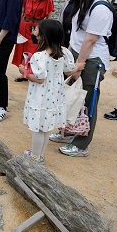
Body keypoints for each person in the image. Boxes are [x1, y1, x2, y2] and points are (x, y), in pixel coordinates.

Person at [54, 0, 113, 157]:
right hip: (79, 56)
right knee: (72, 97)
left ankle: (81, 144)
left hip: (92, 61)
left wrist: (78, 66)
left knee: (87, 101)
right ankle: (69, 130)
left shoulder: (100, 8)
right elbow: (78, 36)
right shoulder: (84, 3)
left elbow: (90, 39)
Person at [19, 20, 75, 163]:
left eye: (37, 30)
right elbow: (69, 70)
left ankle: (35, 156)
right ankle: (40, 154)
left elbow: (39, 79)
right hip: (55, 95)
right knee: (46, 126)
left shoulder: (40, 56)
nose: (34, 32)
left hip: (41, 95)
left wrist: (23, 71)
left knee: (37, 127)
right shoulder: (64, 52)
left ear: (44, 35)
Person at [11, 0, 54, 81]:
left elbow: (48, 17)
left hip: (36, 27)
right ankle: (24, 73)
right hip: (24, 24)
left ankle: (33, 72)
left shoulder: (48, 0)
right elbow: (22, 11)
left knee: (33, 49)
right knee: (22, 48)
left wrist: (44, 31)